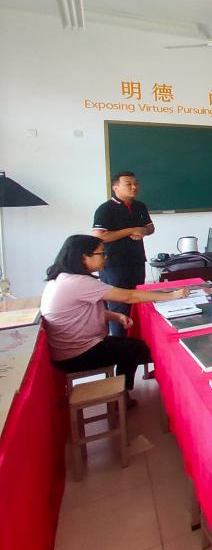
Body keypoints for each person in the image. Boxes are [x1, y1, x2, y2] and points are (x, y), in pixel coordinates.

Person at [40, 234, 193, 404]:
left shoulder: (63, 278)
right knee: (139, 349)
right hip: (77, 355)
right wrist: (173, 295)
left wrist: (115, 315)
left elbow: (79, 313)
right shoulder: (77, 282)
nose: (105, 257)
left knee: (131, 346)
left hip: (73, 348)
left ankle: (126, 389)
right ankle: (123, 395)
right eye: (101, 253)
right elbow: (129, 296)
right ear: (84, 257)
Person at [92, 171, 154, 333]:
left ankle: (136, 341)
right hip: (114, 265)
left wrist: (142, 231)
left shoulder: (140, 206)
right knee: (119, 309)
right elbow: (99, 236)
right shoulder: (105, 209)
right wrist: (130, 230)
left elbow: (150, 228)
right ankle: (119, 344)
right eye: (128, 184)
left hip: (137, 261)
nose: (134, 187)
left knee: (138, 303)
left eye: (136, 184)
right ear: (115, 188)